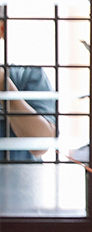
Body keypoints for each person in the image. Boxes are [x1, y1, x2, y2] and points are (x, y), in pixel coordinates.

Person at [0, 10, 57, 161]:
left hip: (20, 182)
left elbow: (41, 145)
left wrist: (3, 86)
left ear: (1, 29)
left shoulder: (28, 75)